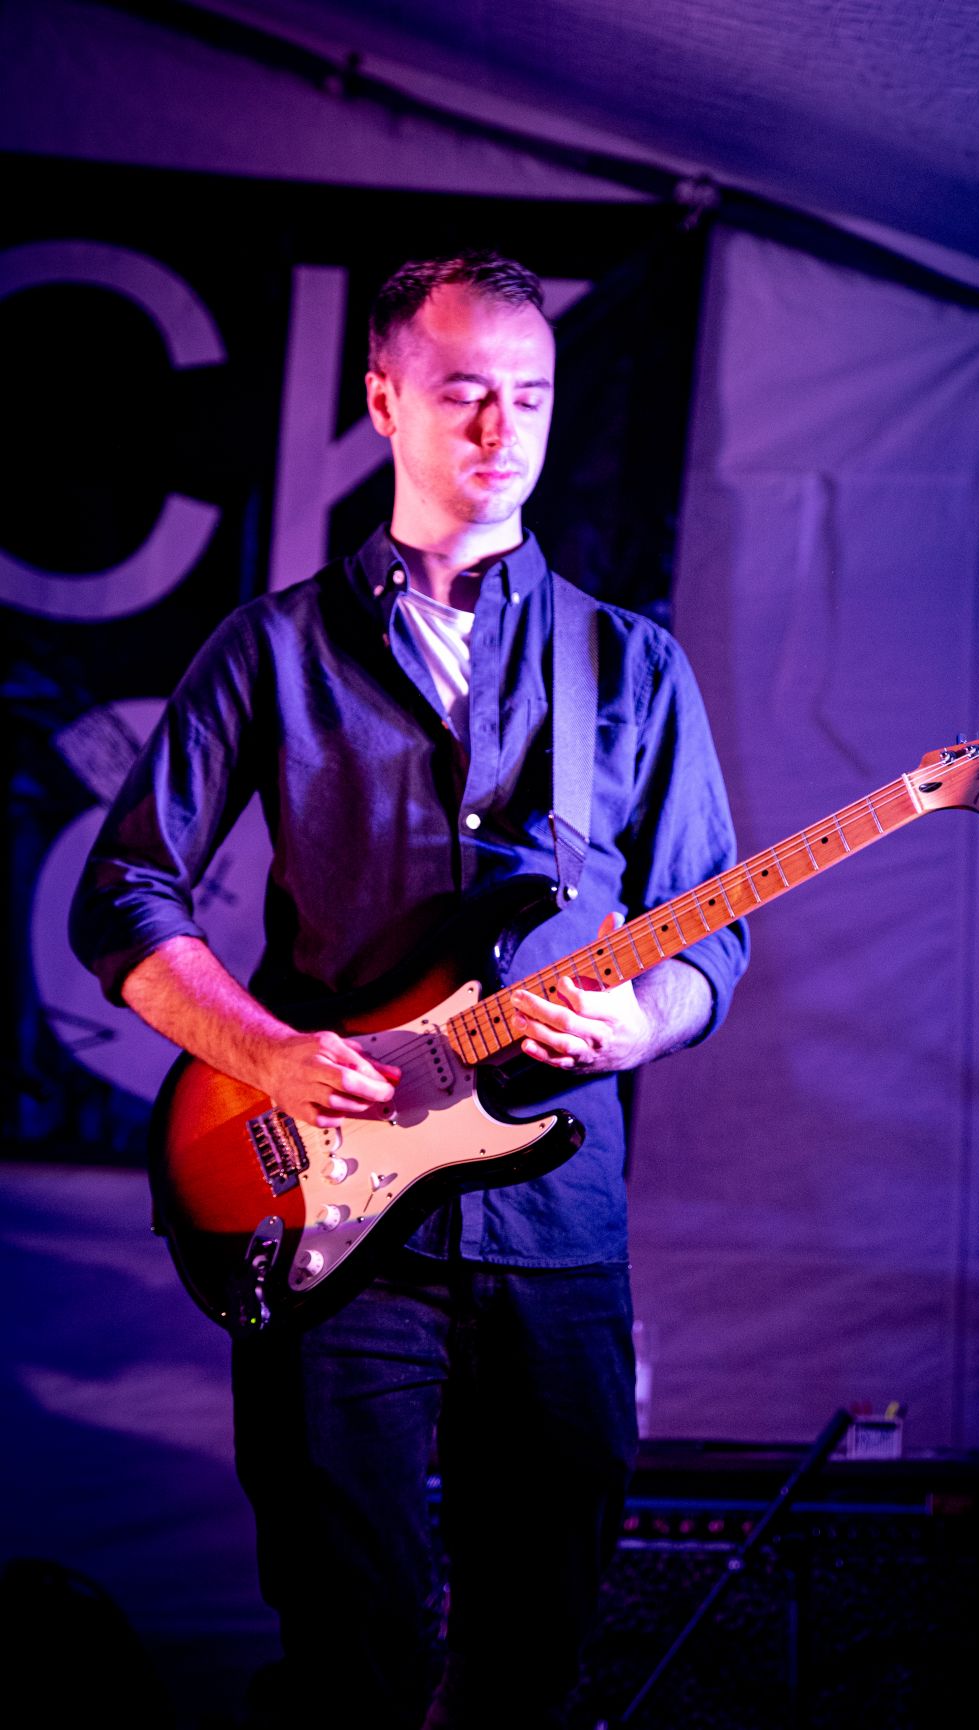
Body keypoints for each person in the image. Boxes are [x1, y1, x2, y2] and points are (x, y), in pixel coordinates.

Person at [70, 251, 748, 1728]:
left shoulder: (632, 666)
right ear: (383, 401)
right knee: (351, 1657)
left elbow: (714, 941)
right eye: (464, 394)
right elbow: (119, 895)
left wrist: (644, 1018)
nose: (503, 429)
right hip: (327, 1217)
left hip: (557, 1226)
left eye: (532, 397)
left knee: (535, 1655)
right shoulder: (271, 647)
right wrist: (266, 1053)